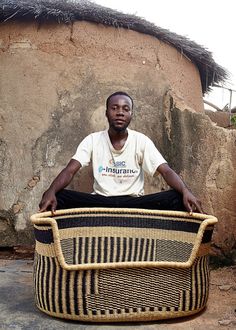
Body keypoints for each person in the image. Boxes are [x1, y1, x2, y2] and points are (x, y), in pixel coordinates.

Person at [39, 91, 203, 214]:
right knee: (57, 197)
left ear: (131, 114)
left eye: (125, 109)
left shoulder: (141, 140)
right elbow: (70, 170)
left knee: (178, 197)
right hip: (101, 203)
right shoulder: (93, 140)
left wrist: (186, 190)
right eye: (114, 108)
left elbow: (166, 171)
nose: (120, 112)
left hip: (134, 204)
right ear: (106, 113)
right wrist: (51, 191)